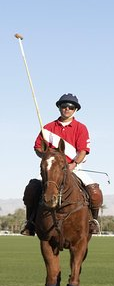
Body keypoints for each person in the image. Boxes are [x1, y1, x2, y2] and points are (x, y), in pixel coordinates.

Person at [21, 93, 104, 235]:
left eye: (70, 107)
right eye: (64, 106)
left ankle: (93, 222)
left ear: (75, 110)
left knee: (95, 192)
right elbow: (37, 147)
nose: (67, 109)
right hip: (52, 169)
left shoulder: (81, 128)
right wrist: (45, 156)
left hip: (74, 167)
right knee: (31, 189)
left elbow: (83, 150)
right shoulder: (47, 128)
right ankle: (30, 223)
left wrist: (73, 164)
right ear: (59, 107)